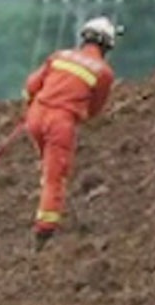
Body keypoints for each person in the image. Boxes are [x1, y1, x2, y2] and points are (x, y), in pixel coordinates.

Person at [23, 16, 118, 250]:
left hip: (36, 115)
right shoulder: (103, 72)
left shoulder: (59, 56)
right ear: (107, 46)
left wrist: (32, 108)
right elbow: (95, 107)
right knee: (56, 176)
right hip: (60, 122)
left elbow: (31, 87)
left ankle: (48, 198)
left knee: (48, 167)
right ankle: (44, 233)